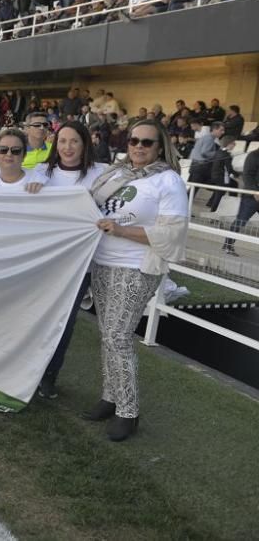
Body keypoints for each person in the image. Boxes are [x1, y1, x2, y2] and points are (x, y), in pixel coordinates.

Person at [84, 119, 188, 441]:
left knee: (118, 335)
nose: (138, 147)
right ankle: (110, 396)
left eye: (147, 142)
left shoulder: (167, 181)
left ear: (159, 147)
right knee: (107, 333)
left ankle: (128, 411)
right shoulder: (116, 174)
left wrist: (120, 230)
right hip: (103, 262)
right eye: (133, 141)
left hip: (137, 267)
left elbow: (173, 233)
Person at [29, 122, 108, 399]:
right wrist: (33, 186)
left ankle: (49, 375)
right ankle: (24, 371)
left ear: (85, 144)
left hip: (79, 266)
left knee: (63, 324)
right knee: (34, 319)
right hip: (44, 263)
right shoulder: (42, 173)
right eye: (62, 141)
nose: (67, 148)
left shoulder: (101, 174)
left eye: (74, 141)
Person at [223, 148, 259, 256]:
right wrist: (255, 192)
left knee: (240, 221)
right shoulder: (253, 156)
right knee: (240, 221)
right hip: (252, 197)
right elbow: (247, 175)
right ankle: (228, 245)